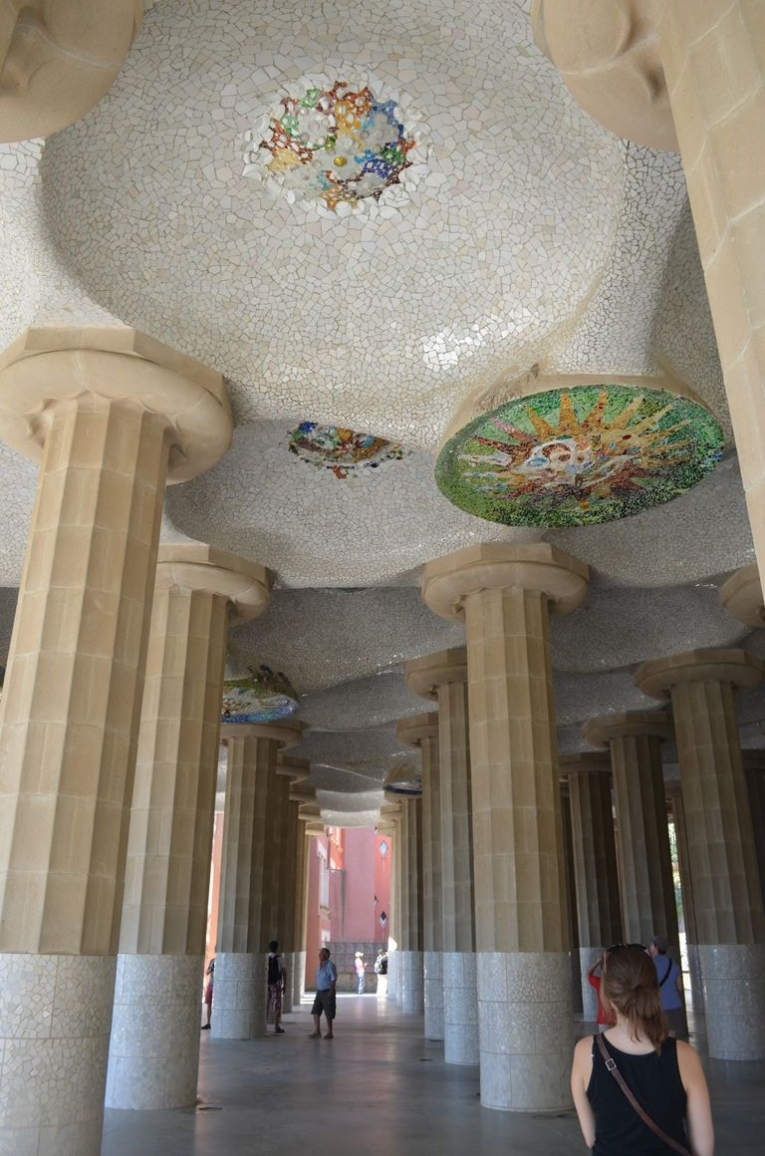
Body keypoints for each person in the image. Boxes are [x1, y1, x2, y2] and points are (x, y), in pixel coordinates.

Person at [571, 944, 714, 1156]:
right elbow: (704, 1148)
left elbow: (591, 1137)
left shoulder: (585, 1052)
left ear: (608, 994)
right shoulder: (685, 1055)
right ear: (654, 989)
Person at [649, 935, 687, 1039]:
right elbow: (680, 987)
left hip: (657, 1006)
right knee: (671, 1036)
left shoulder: (649, 964)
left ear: (656, 947)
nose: (650, 946)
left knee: (657, 1036)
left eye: (651, 945)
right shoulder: (674, 964)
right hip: (674, 1005)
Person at [309, 947, 337, 1039]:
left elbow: (333, 979)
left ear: (326, 955)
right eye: (320, 954)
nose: (319, 955)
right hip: (319, 992)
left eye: (321, 954)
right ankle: (317, 1030)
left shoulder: (330, 966)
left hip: (327, 991)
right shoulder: (319, 966)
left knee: (328, 1013)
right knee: (315, 1011)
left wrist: (331, 991)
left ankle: (330, 1032)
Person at [587, 950, 617, 1031]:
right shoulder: (617, 982)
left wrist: (598, 962)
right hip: (615, 1019)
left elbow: (589, 974)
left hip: (604, 1019)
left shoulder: (599, 982)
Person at [267, 940, 288, 1034]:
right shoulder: (280, 959)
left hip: (266, 984)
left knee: (266, 1004)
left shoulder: (266, 957)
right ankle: (276, 1026)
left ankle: (263, 1025)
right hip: (276, 984)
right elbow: (284, 973)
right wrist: (285, 985)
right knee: (276, 1004)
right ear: (277, 948)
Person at [201, 956, 214, 1029]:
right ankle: (208, 1023)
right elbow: (207, 972)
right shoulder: (212, 961)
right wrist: (211, 968)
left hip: (218, 986)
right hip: (211, 984)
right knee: (208, 1003)